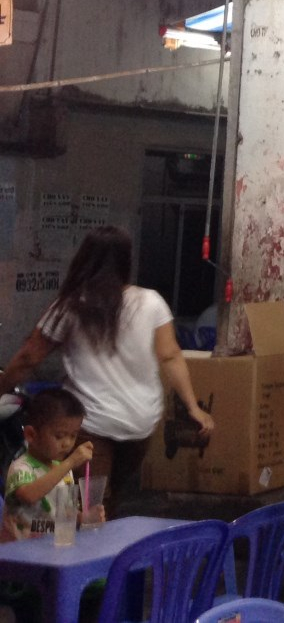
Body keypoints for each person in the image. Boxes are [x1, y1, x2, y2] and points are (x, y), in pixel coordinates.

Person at [0, 226, 215, 517]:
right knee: (104, 502)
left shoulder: (71, 305)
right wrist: (193, 407)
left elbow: (28, 357)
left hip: (91, 424)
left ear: (83, 259)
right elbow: (170, 355)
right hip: (140, 424)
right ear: (126, 261)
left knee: (87, 507)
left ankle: (81, 543)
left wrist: (2, 387)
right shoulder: (151, 302)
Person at [1, 387, 92, 542]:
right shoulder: (21, 468)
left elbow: (65, 514)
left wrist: (82, 518)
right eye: (59, 436)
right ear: (31, 435)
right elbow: (29, 496)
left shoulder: (64, 470)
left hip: (52, 547)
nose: (67, 443)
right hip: (19, 551)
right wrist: (70, 462)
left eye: (73, 436)